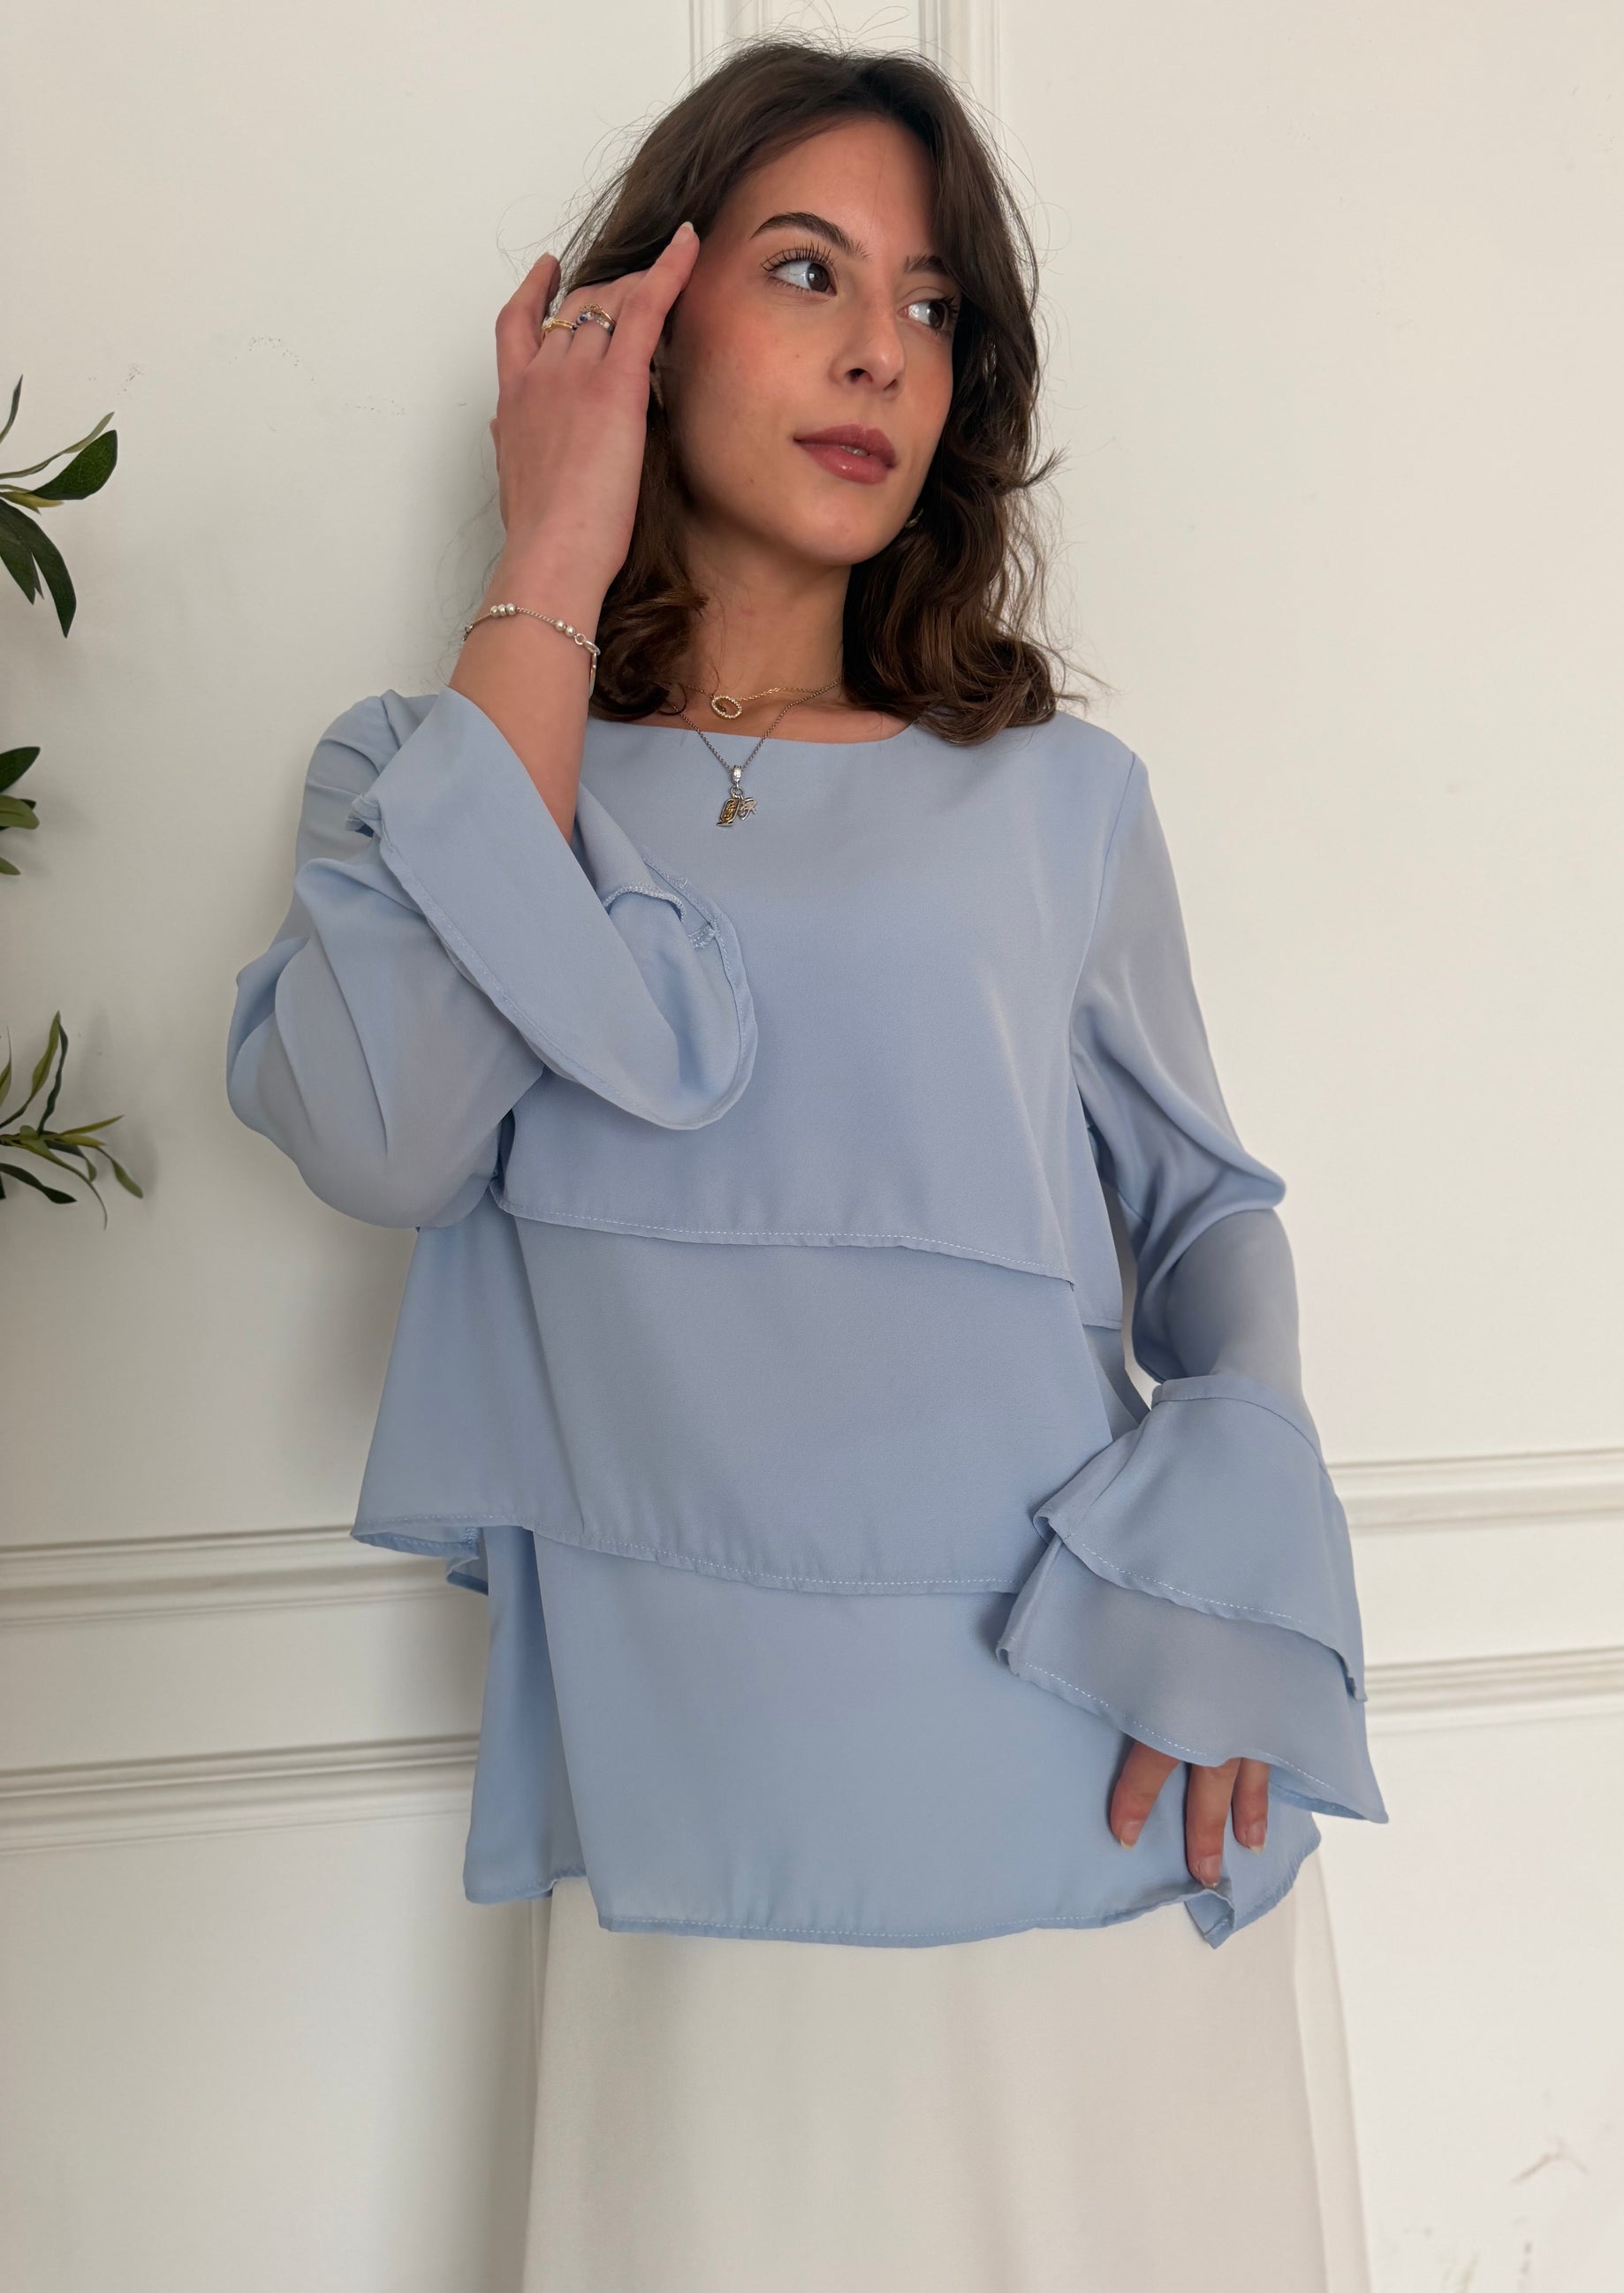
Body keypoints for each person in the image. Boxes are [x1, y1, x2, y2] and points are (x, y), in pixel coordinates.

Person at [225, 36, 1387, 2293]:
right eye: (806, 270)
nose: (881, 351)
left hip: (1090, 1764)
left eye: (931, 304)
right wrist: (551, 548)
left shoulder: (1053, 800)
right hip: (702, 1827)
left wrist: (1244, 1521)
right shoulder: (432, 781)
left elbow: (1204, 1212)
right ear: (645, 330)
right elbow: (381, 1137)